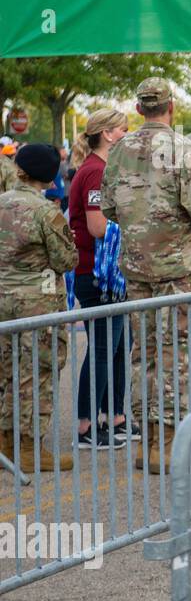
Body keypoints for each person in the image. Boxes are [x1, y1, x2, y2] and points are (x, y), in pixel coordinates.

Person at [101, 78, 191, 475]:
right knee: (174, 355)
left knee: (142, 354)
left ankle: (147, 444)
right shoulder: (181, 147)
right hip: (178, 268)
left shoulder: (119, 150)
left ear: (138, 110)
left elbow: (111, 208)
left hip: (135, 265)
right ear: (171, 106)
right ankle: (166, 447)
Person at [0, 144, 78, 471]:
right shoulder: (47, 212)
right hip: (37, 304)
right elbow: (66, 259)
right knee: (37, 372)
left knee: (6, 371)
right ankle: (29, 448)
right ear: (49, 177)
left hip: (3, 298)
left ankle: (5, 443)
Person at [67, 108, 134, 450]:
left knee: (120, 348)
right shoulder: (95, 172)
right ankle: (86, 424)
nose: (128, 134)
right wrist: (138, 229)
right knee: (103, 351)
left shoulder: (103, 168)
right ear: (108, 134)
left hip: (111, 276)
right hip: (97, 275)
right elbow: (96, 227)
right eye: (124, 128)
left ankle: (115, 417)